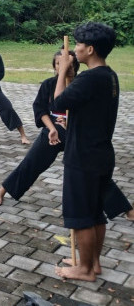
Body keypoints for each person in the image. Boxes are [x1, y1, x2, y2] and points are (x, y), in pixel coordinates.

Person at [0, 48, 133, 221]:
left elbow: (88, 113)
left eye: (71, 64)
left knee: (93, 171)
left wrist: (70, 123)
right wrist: (51, 128)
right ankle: (2, 191)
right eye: (60, 64)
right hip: (52, 132)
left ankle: (126, 210)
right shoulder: (48, 85)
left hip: (76, 134)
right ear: (55, 66)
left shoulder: (82, 83)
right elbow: (41, 109)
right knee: (31, 162)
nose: (66, 67)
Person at [51, 22, 119, 282]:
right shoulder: (109, 75)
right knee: (95, 212)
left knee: (81, 215)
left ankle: (85, 269)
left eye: (79, 45)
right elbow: (89, 110)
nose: (75, 49)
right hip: (101, 152)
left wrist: (63, 72)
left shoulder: (89, 78)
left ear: (90, 49)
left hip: (83, 156)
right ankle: (93, 263)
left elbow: (58, 103)